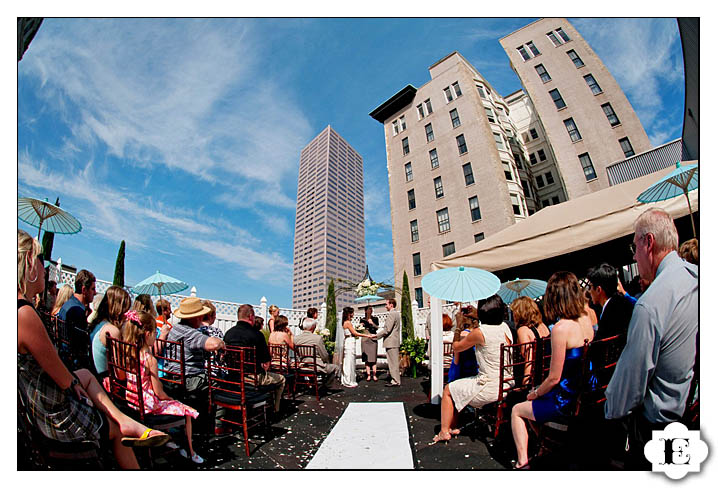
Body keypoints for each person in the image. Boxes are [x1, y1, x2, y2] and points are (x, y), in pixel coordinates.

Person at [17, 229, 169, 470]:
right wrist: (77, 388)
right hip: (52, 416)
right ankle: (126, 428)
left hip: (36, 401)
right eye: (39, 260)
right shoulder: (23, 314)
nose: (43, 268)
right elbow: (63, 378)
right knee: (117, 429)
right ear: (27, 262)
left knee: (87, 378)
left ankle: (127, 422)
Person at [605, 208, 698, 468]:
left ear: (648, 242)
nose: (634, 255)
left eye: (634, 247)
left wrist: (611, 410)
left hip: (657, 429)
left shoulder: (652, 302)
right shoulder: (696, 278)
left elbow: (628, 387)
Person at [510, 272, 594, 469]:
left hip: (566, 400)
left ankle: (523, 462)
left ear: (554, 298)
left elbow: (554, 378)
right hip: (586, 391)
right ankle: (547, 446)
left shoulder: (561, 328)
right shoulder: (586, 319)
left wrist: (535, 393)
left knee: (517, 410)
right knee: (534, 400)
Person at [121, 310, 203, 464]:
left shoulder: (128, 353)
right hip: (148, 405)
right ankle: (191, 452)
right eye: (154, 333)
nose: (156, 336)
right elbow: (158, 392)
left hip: (131, 400)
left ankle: (168, 439)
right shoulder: (149, 359)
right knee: (186, 410)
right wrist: (170, 399)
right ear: (147, 334)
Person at [432, 295, 514, 443]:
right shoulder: (505, 327)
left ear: (483, 312)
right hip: (507, 382)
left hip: (489, 387)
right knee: (458, 387)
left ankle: (444, 431)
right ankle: (451, 426)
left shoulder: (480, 332)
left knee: (448, 390)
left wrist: (458, 326)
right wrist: (475, 313)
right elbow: (492, 319)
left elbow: (456, 347)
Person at [166, 297, 226, 428]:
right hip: (189, 379)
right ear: (195, 317)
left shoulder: (176, 329)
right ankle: (215, 424)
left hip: (173, 376)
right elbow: (213, 344)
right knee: (219, 383)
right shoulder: (190, 333)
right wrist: (221, 343)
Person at [224, 304, 285, 414]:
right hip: (253, 378)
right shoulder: (257, 335)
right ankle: (276, 410)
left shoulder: (228, 334)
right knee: (281, 379)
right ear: (251, 317)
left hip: (233, 377)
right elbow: (266, 362)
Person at [88, 286, 132, 376]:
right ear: (119, 309)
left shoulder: (98, 323)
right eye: (126, 310)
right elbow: (121, 374)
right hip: (105, 380)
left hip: (93, 372)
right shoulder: (112, 330)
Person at [586, 263, 635, 340]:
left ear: (598, 289)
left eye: (590, 287)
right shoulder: (623, 303)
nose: (589, 291)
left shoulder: (611, 312)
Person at [511, 297, 550, 385]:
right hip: (548, 371)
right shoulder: (542, 325)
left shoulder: (523, 330)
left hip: (536, 376)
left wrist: (525, 382)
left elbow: (529, 359)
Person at [295, 316, 340, 385]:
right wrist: (327, 362)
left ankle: (313, 384)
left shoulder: (296, 338)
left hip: (303, 365)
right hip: (316, 366)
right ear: (313, 327)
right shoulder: (317, 338)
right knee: (335, 368)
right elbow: (324, 355)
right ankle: (325, 386)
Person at [340, 307, 372, 388]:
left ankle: (347, 379)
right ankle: (349, 380)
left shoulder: (345, 322)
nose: (353, 314)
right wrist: (366, 335)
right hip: (349, 341)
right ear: (349, 314)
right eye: (352, 313)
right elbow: (355, 333)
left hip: (349, 340)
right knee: (349, 360)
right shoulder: (348, 322)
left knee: (349, 360)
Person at [447, 308, 479, 383]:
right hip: (476, 371)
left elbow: (456, 360)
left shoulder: (461, 335)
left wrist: (458, 327)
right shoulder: (478, 333)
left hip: (462, 373)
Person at [376, 298, 401, 387]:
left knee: (393, 362)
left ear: (391, 305)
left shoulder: (392, 314)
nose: (385, 306)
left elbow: (387, 329)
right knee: (393, 362)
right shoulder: (396, 313)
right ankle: (395, 379)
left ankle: (395, 381)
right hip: (394, 341)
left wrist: (376, 336)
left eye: (386, 304)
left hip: (391, 342)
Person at [360, 306, 380, 382]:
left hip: (373, 338)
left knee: (373, 357)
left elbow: (377, 327)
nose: (370, 311)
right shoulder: (362, 319)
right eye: (369, 309)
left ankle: (374, 375)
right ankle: (368, 375)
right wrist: (361, 326)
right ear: (365, 311)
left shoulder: (375, 318)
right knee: (366, 358)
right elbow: (359, 330)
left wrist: (372, 323)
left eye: (371, 309)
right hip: (365, 338)